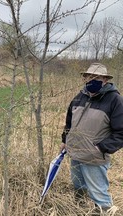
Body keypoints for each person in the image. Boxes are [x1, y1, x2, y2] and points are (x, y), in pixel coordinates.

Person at [61, 63, 123, 214]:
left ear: (105, 80)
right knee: (78, 186)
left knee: (100, 195)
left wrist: (101, 148)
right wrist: (65, 140)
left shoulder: (115, 100)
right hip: (75, 153)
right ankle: (80, 210)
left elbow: (121, 133)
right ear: (85, 78)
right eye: (89, 76)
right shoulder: (80, 97)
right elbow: (69, 121)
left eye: (97, 77)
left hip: (94, 157)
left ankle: (105, 211)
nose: (92, 80)